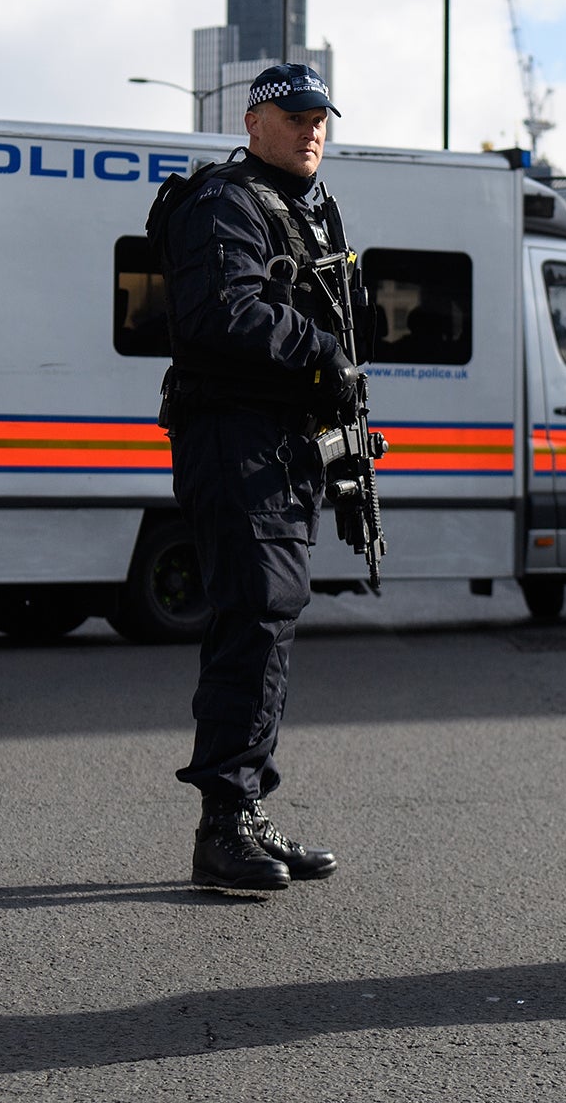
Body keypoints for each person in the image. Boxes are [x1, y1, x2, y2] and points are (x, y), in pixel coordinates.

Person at [155, 62, 348, 894]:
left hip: (280, 443)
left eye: (321, 117)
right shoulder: (223, 202)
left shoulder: (306, 207)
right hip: (234, 437)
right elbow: (222, 313)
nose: (312, 129)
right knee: (256, 618)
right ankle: (223, 823)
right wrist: (321, 355)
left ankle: (246, 814)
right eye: (295, 114)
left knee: (271, 618)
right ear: (252, 120)